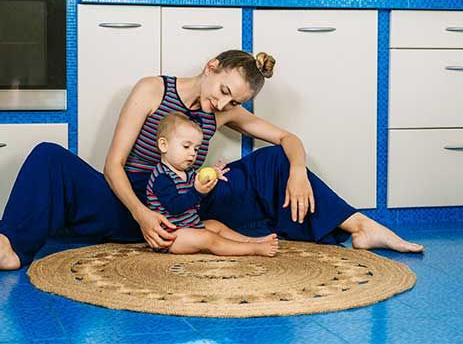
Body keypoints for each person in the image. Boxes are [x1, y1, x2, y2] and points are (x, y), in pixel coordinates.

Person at [0, 50, 423, 270]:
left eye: (233, 100)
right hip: (131, 205)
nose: (223, 103)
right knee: (48, 157)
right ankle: (11, 247)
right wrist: (144, 216)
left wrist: (295, 168)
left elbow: (287, 137)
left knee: (274, 160)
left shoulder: (220, 111)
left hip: (189, 205)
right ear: (211, 67)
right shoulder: (152, 89)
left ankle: (359, 226)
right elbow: (113, 166)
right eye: (223, 91)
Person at [146, 111, 278, 257]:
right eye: (186, 146)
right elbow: (175, 207)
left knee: (216, 225)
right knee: (208, 238)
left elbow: (199, 185)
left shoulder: (188, 172)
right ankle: (253, 250)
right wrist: (197, 191)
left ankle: (252, 241)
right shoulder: (162, 178)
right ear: (164, 145)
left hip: (189, 226)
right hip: (170, 236)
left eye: (196, 149)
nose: (192, 154)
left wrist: (213, 175)